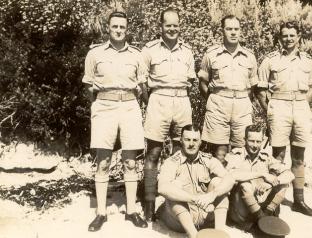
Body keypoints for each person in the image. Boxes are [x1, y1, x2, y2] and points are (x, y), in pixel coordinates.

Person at [82, 11, 148, 231]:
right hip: (104, 107)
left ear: (127, 29)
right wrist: (99, 105)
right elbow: (89, 86)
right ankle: (101, 213)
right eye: (115, 27)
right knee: (103, 160)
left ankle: (131, 211)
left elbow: (141, 87)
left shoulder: (137, 55)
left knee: (130, 161)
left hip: (129, 106)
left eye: (122, 27)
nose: (119, 30)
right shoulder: (95, 54)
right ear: (107, 28)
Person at [257, 21, 312, 217]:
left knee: (299, 155)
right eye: (285, 35)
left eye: (292, 35)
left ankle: (299, 201)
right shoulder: (270, 60)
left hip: (300, 106)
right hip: (279, 106)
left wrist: (303, 104)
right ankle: (274, 201)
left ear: (298, 37)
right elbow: (260, 89)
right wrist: (271, 110)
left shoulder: (307, 60)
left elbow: (311, 86)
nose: (289, 39)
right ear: (280, 38)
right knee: (278, 155)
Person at [141, 7, 196, 222]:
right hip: (158, 101)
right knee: (153, 153)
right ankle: (149, 202)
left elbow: (190, 83)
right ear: (160, 26)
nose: (172, 29)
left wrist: (178, 97)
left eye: (176, 25)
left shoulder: (187, 51)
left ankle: (173, 202)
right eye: (168, 25)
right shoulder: (150, 50)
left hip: (182, 101)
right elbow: (142, 82)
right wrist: (152, 102)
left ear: (179, 26)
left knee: (180, 153)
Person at [197, 15, 259, 162]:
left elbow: (253, 87)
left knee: (241, 150)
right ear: (222, 31)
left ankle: (240, 184)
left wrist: (240, 99)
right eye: (229, 29)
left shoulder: (249, 57)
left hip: (242, 106)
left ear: (240, 31)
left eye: (236, 29)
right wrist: (215, 99)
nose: (233, 32)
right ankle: (218, 184)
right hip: (218, 105)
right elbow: (202, 83)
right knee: (219, 152)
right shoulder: (211, 54)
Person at [157, 125, 235, 238]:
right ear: (181, 141)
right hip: (179, 222)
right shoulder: (172, 162)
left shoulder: (208, 159)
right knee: (174, 186)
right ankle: (193, 236)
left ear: (200, 142)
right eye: (187, 139)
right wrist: (193, 198)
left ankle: (220, 234)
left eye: (195, 140)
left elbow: (230, 179)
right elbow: (162, 187)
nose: (191, 144)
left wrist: (212, 195)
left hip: (205, 215)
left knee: (219, 182)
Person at [225, 125, 294, 230]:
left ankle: (265, 217)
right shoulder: (236, 155)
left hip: (261, 205)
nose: (255, 145)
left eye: (258, 141)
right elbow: (233, 175)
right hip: (241, 210)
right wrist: (263, 175)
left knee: (283, 184)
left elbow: (290, 175)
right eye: (251, 141)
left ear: (262, 141)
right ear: (245, 140)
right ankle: (261, 221)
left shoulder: (265, 156)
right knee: (245, 184)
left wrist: (270, 183)